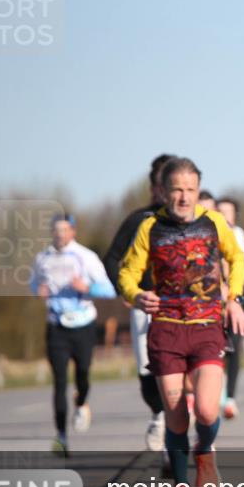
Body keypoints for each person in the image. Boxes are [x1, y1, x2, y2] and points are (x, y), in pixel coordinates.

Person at [118, 157, 244, 487]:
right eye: (177, 189)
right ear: (163, 191)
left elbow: (236, 259)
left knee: (206, 411)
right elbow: (127, 273)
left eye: (190, 189)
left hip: (207, 327)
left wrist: (233, 298)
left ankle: (204, 452)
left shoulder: (214, 223)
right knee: (176, 415)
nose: (184, 197)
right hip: (167, 330)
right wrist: (136, 294)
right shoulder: (149, 228)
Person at [103, 154, 173, 456]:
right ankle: (160, 414)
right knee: (148, 369)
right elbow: (112, 258)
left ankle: (177, 431)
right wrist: (127, 290)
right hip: (146, 304)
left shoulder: (194, 219)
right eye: (162, 185)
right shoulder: (139, 219)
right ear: (154, 188)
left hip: (183, 307)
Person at [31, 214, 116, 455]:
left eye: (64, 229)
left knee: (83, 374)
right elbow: (33, 284)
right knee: (59, 383)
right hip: (56, 325)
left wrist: (87, 287)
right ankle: (61, 437)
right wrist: (39, 291)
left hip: (83, 324)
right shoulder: (42, 259)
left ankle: (81, 402)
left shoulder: (86, 257)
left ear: (73, 232)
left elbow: (110, 290)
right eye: (55, 229)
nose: (59, 234)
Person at [217, 197, 244, 419]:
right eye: (219, 211)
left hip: (238, 300)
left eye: (227, 212)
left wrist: (238, 281)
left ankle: (230, 397)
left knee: (234, 350)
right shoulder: (208, 232)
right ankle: (218, 393)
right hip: (214, 300)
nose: (223, 215)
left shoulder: (243, 235)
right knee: (216, 349)